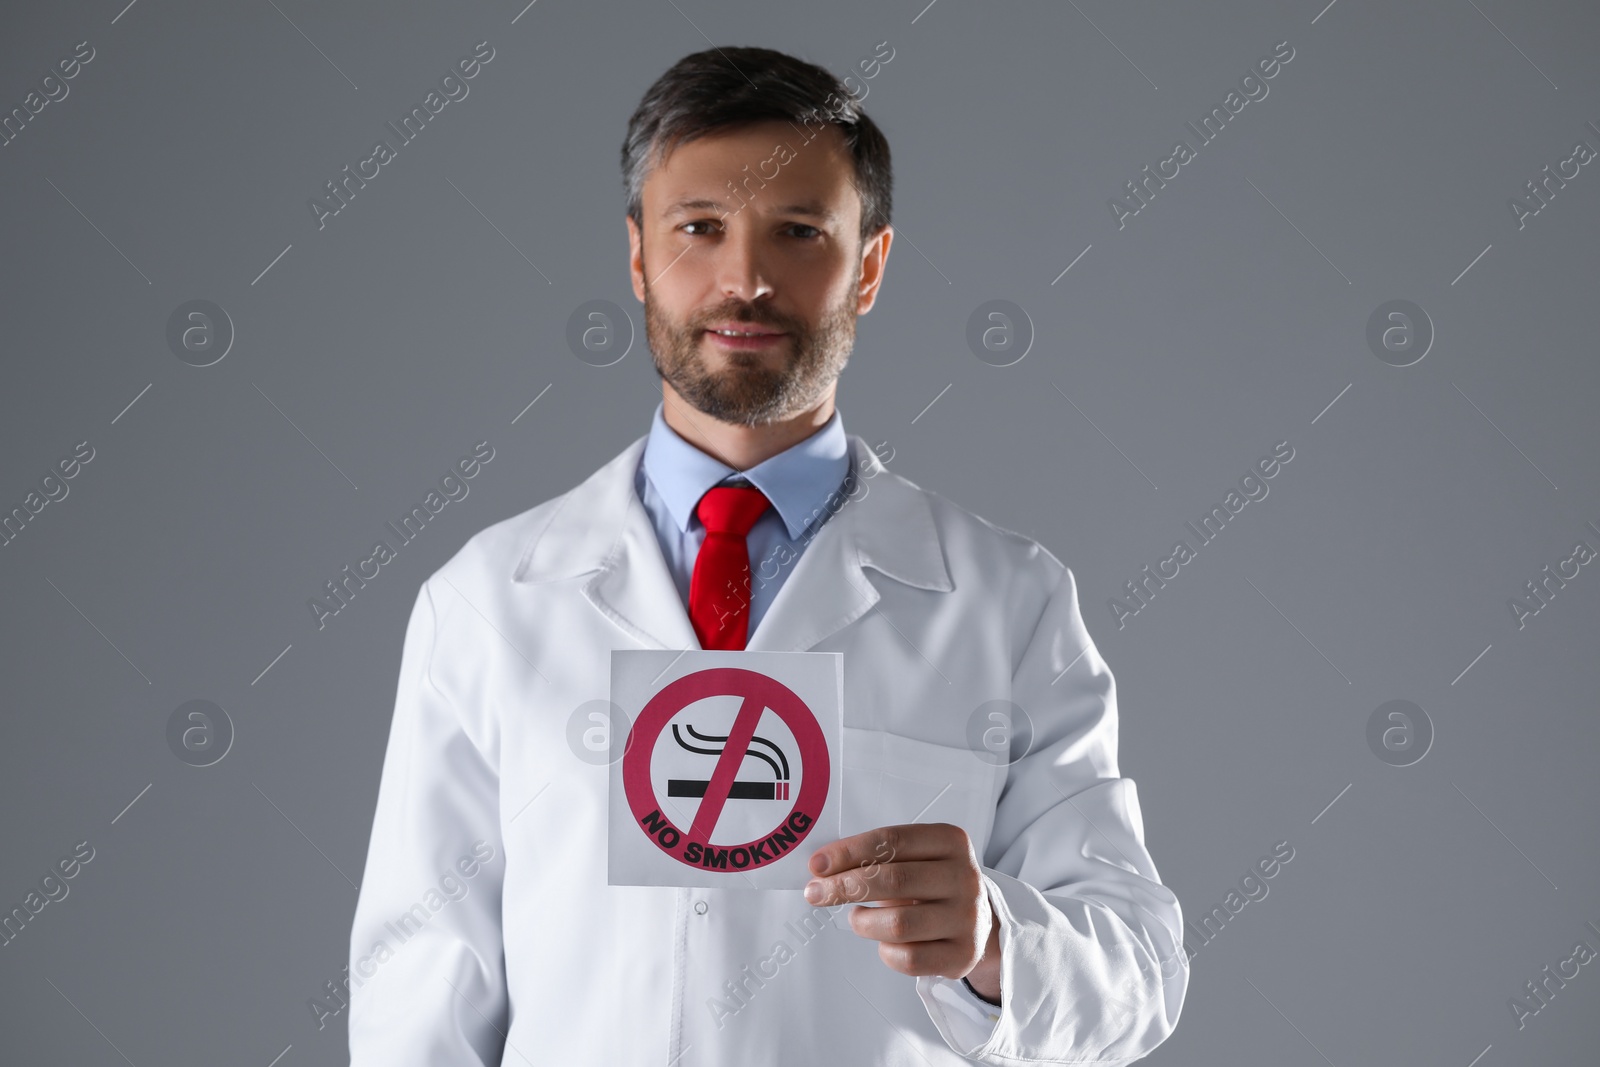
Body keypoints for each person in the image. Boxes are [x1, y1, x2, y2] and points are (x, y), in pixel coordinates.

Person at [347, 44, 1188, 1065]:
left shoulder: (1007, 603)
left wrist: (993, 940)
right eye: (698, 229)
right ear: (637, 255)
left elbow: (1139, 966)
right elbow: (418, 990)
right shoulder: (487, 601)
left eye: (798, 233)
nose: (744, 279)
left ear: (869, 265)